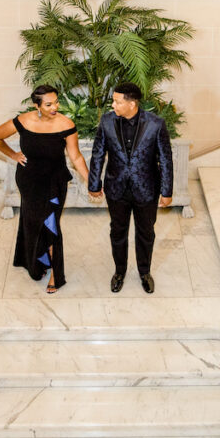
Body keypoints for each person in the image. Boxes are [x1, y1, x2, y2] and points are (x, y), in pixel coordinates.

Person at [0, 85, 89, 293]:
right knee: (33, 222)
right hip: (29, 181)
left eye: (56, 102)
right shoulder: (23, 121)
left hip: (54, 182)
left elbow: (76, 156)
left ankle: (56, 274)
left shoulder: (66, 124)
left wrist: (91, 180)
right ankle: (38, 261)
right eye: (48, 104)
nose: (55, 107)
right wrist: (13, 155)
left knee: (51, 225)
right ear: (37, 106)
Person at [88, 82, 173, 294]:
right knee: (118, 232)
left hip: (146, 189)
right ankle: (119, 272)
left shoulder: (155, 124)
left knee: (146, 233)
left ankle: (144, 272)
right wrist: (94, 184)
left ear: (132, 103)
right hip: (116, 188)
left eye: (117, 101)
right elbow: (98, 154)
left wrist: (167, 191)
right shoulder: (107, 121)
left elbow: (165, 159)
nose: (113, 105)